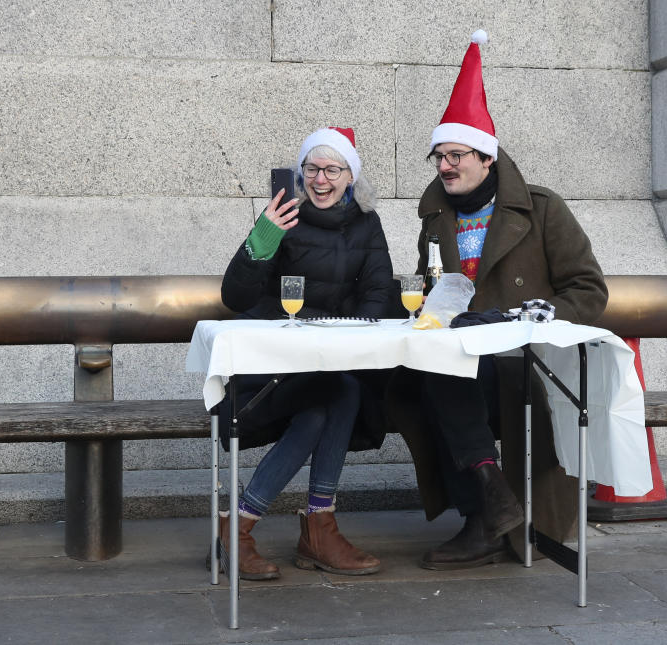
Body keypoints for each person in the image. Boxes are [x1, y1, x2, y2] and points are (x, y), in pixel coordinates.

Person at [388, 31, 608, 570]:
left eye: (455, 154)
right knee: (422, 376)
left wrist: (529, 320)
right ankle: (490, 502)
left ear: (486, 158)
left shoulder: (542, 210)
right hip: (463, 359)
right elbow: (436, 287)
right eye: (439, 155)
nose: (445, 165)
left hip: (527, 359)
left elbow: (589, 291)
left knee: (446, 376)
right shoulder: (435, 217)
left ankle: (483, 517)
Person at [217, 127, 393, 580]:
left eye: (333, 170)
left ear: (350, 177)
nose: (320, 180)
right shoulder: (283, 216)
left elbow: (377, 293)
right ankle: (307, 527)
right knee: (327, 403)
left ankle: (249, 528)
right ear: (300, 174)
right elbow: (235, 297)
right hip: (272, 360)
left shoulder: (366, 223)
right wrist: (262, 236)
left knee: (341, 391)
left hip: (330, 359)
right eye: (312, 169)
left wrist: (354, 339)